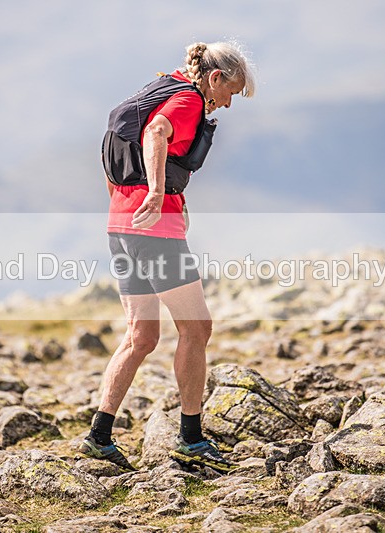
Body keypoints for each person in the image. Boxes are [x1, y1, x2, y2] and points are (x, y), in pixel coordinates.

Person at [79, 41, 256, 473]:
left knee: (140, 337)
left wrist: (135, 203)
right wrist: (158, 194)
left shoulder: (156, 89)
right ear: (215, 77)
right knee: (196, 328)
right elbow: (157, 133)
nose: (228, 104)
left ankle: (99, 437)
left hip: (121, 227)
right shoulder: (189, 99)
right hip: (155, 231)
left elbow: (114, 153)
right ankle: (191, 439)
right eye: (230, 92)